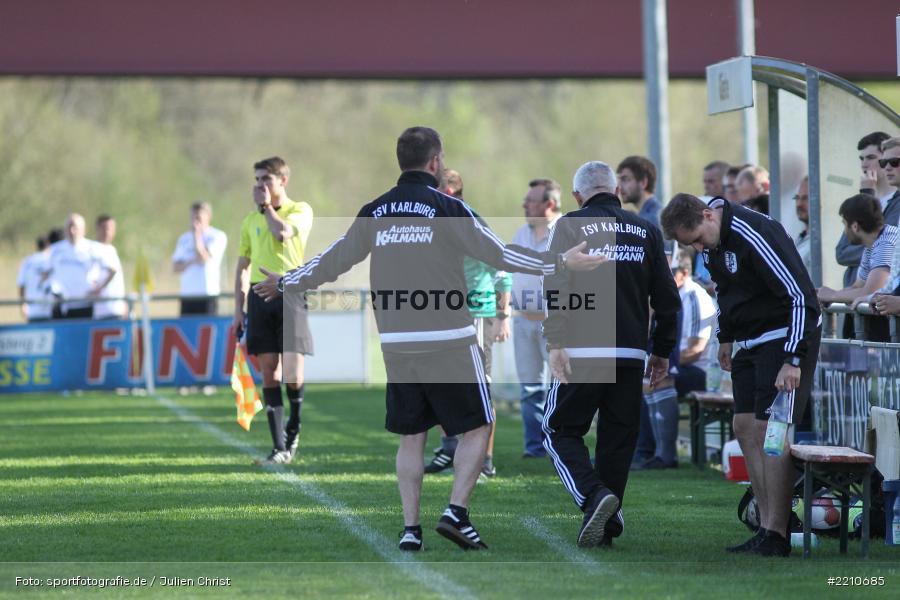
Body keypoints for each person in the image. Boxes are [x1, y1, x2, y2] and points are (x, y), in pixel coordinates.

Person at [252, 126, 605, 552]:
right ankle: (456, 512)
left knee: (412, 435)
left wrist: (289, 280)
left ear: (400, 161)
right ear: (435, 162)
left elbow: (335, 260)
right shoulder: (448, 207)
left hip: (397, 344)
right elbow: (500, 255)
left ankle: (409, 529)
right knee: (480, 424)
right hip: (450, 338)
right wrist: (558, 262)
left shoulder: (376, 210)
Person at [661, 193, 821, 557]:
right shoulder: (712, 244)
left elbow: (801, 297)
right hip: (749, 339)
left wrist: (792, 358)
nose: (699, 248)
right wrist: (726, 336)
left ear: (708, 215)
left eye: (698, 239)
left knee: (771, 430)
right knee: (744, 427)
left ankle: (779, 533)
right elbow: (727, 291)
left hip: (785, 337)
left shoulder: (755, 232)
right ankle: (764, 525)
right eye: (692, 245)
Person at [542, 160, 679, 547]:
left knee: (558, 430)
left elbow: (554, 287)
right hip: (631, 352)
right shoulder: (646, 229)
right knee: (617, 441)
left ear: (577, 196)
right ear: (616, 191)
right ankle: (606, 527)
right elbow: (668, 299)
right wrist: (662, 351)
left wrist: (555, 343)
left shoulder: (568, 225)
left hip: (582, 349)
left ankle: (594, 496)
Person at [424, 168, 512, 478]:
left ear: (447, 192)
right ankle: (448, 450)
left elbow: (503, 267)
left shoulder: (471, 221)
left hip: (475, 312)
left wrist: (502, 316)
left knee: (480, 387)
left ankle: (484, 461)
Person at [234, 157, 313, 464]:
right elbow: (242, 265)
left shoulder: (300, 210)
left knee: (292, 373)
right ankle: (279, 445)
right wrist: (237, 310)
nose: (260, 185)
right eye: (256, 180)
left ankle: (295, 422)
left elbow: (283, 234)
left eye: (266, 179)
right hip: (259, 297)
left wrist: (267, 208)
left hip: (290, 294)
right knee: (269, 370)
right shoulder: (249, 221)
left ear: (283, 181)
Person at [641, 255, 717, 470]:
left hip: (701, 372)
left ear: (684, 273)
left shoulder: (693, 296)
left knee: (657, 379)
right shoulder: (666, 294)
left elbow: (695, 350)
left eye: (668, 272)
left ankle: (663, 455)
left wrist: (659, 363)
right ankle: (647, 452)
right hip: (676, 363)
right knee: (636, 380)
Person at [509, 178, 562, 459]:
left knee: (561, 386)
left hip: (555, 324)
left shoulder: (565, 232)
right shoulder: (522, 234)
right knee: (529, 388)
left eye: (531, 200)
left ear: (549, 204)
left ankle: (560, 445)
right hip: (523, 322)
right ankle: (535, 447)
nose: (525, 205)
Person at [817, 195, 896, 312]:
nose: (844, 231)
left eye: (844, 224)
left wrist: (831, 295)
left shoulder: (886, 243)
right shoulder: (872, 245)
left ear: (855, 226)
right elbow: (857, 287)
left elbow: (872, 292)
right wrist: (823, 293)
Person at [835, 132, 894, 288]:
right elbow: (842, 252)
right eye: (861, 159)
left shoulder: (896, 202)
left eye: (871, 158)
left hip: (879, 298)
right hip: (855, 293)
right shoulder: (864, 197)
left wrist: (867, 195)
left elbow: (888, 247)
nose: (864, 164)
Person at [47, 213, 116, 319]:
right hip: (62, 306)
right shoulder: (55, 249)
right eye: (69, 226)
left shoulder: (93, 248)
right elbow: (45, 272)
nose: (72, 231)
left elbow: (112, 270)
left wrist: (98, 289)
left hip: (85, 305)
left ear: (83, 230)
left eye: (75, 227)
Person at [172, 202, 228, 316]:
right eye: (192, 217)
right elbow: (176, 267)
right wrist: (192, 261)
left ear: (208, 217)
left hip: (207, 296)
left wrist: (197, 235)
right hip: (188, 297)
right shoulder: (183, 239)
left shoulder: (217, 236)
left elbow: (203, 258)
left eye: (198, 218)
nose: (194, 221)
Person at [92, 215, 127, 320]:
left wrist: (123, 303)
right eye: (104, 228)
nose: (107, 232)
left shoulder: (111, 250)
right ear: (97, 229)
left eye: (111, 228)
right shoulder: (93, 249)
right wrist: (98, 289)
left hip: (117, 307)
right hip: (103, 309)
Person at [617, 156, 661, 229]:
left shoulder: (652, 220)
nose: (620, 186)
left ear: (643, 182)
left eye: (625, 179)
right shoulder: (650, 215)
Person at [17, 235, 53, 322]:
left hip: (32, 310)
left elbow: (21, 285)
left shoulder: (27, 261)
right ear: (49, 245)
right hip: (50, 310)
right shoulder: (52, 260)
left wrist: (23, 305)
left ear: (37, 246)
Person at [793, 177, 811, 274]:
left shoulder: (824, 243)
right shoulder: (799, 238)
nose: (799, 204)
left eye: (805, 198)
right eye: (797, 198)